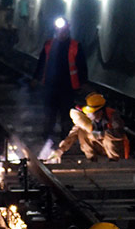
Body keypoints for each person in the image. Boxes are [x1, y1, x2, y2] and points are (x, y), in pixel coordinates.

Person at [34, 18, 88, 158]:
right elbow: (41, 62)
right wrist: (36, 78)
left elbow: (81, 65)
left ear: (68, 30)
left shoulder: (75, 46)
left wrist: (83, 82)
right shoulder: (48, 45)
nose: (62, 33)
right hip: (51, 86)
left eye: (64, 30)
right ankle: (47, 138)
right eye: (60, 30)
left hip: (68, 87)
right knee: (50, 113)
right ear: (56, 30)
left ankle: (65, 140)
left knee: (66, 114)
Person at [49, 92, 129, 162]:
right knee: (82, 132)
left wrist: (101, 134)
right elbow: (73, 134)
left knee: (108, 135)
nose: (89, 114)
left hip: (114, 150)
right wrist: (61, 150)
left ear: (100, 111)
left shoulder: (112, 116)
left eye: (91, 112)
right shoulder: (87, 120)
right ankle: (91, 159)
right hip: (99, 147)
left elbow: (119, 134)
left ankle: (114, 162)